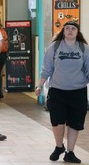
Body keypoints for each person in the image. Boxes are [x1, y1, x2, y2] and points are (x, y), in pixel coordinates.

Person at [35, 21, 89, 163]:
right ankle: (59, 146)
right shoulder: (55, 46)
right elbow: (46, 69)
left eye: (73, 29)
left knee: (74, 123)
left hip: (78, 92)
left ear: (77, 32)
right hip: (57, 91)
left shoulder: (84, 48)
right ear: (63, 31)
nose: (70, 30)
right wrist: (39, 86)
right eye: (67, 28)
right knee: (57, 122)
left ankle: (70, 152)